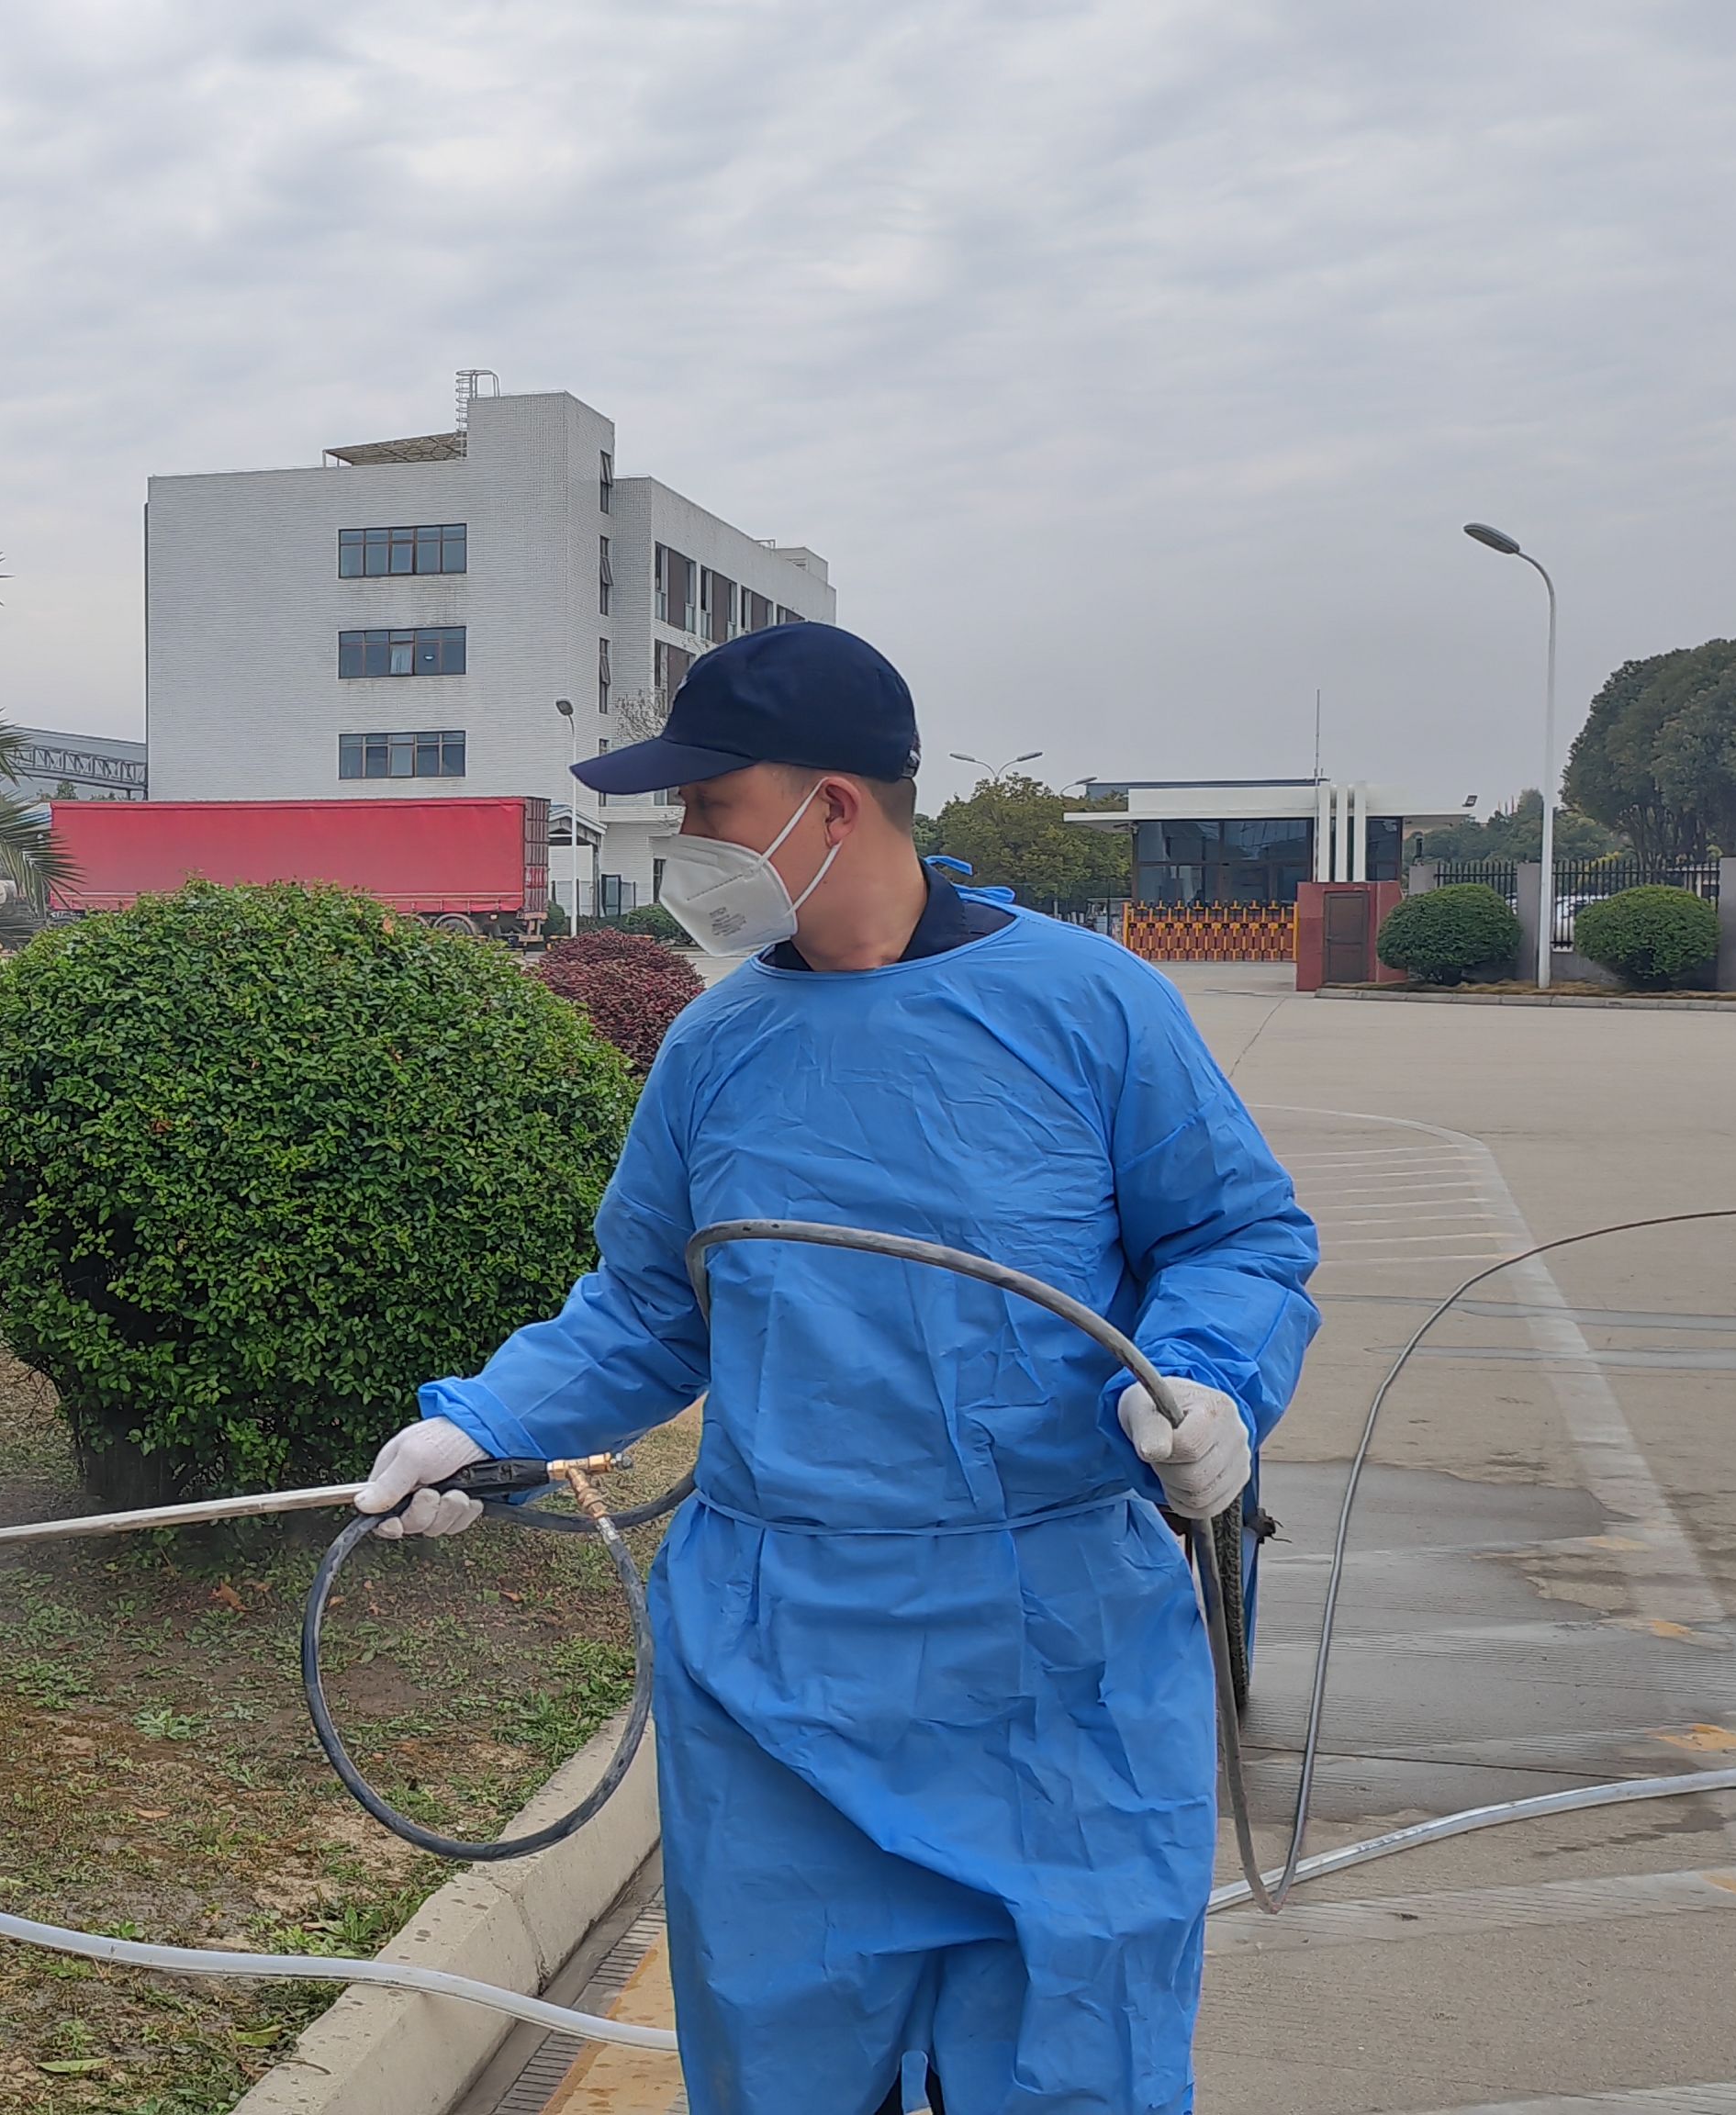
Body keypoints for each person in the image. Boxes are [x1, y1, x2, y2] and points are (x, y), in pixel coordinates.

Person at [355, 624, 1316, 2115]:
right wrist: (478, 1424)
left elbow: (1236, 1236)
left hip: (1053, 1662)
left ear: (834, 806)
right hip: (779, 1666)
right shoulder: (716, 1048)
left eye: (707, 804)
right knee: (786, 2074)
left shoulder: (1088, 1006)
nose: (681, 842)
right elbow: (644, 1312)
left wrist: (1208, 1389)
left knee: (1076, 2070)